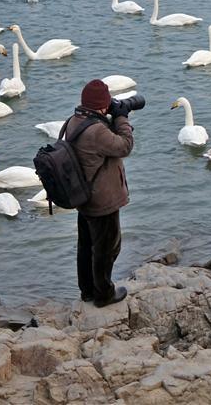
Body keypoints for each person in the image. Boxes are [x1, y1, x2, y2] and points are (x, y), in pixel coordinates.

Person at [63, 79, 134, 308]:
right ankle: (104, 294)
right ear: (102, 106)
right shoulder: (96, 131)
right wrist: (122, 117)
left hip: (84, 197)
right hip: (102, 200)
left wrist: (109, 117)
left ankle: (87, 291)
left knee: (86, 245)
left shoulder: (75, 121)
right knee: (107, 248)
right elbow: (125, 146)